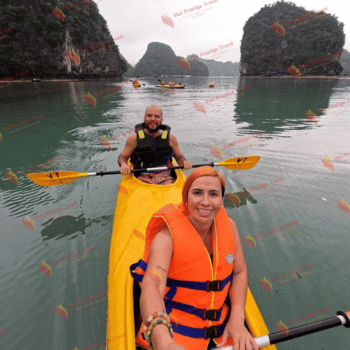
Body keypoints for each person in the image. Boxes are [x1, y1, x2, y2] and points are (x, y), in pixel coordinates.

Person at [130, 166, 259, 350]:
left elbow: (239, 271)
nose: (205, 202)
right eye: (197, 193)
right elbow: (152, 283)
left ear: (222, 200)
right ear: (186, 198)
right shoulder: (166, 238)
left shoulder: (229, 227)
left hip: (223, 331)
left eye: (213, 194)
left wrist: (237, 316)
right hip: (175, 333)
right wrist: (162, 339)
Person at [118, 105, 192, 184]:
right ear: (144, 118)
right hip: (142, 177)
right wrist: (123, 164)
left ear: (161, 119)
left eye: (157, 116)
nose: (153, 119)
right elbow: (123, 157)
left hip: (165, 177)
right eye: (149, 115)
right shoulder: (134, 138)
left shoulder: (170, 138)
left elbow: (179, 157)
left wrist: (184, 163)